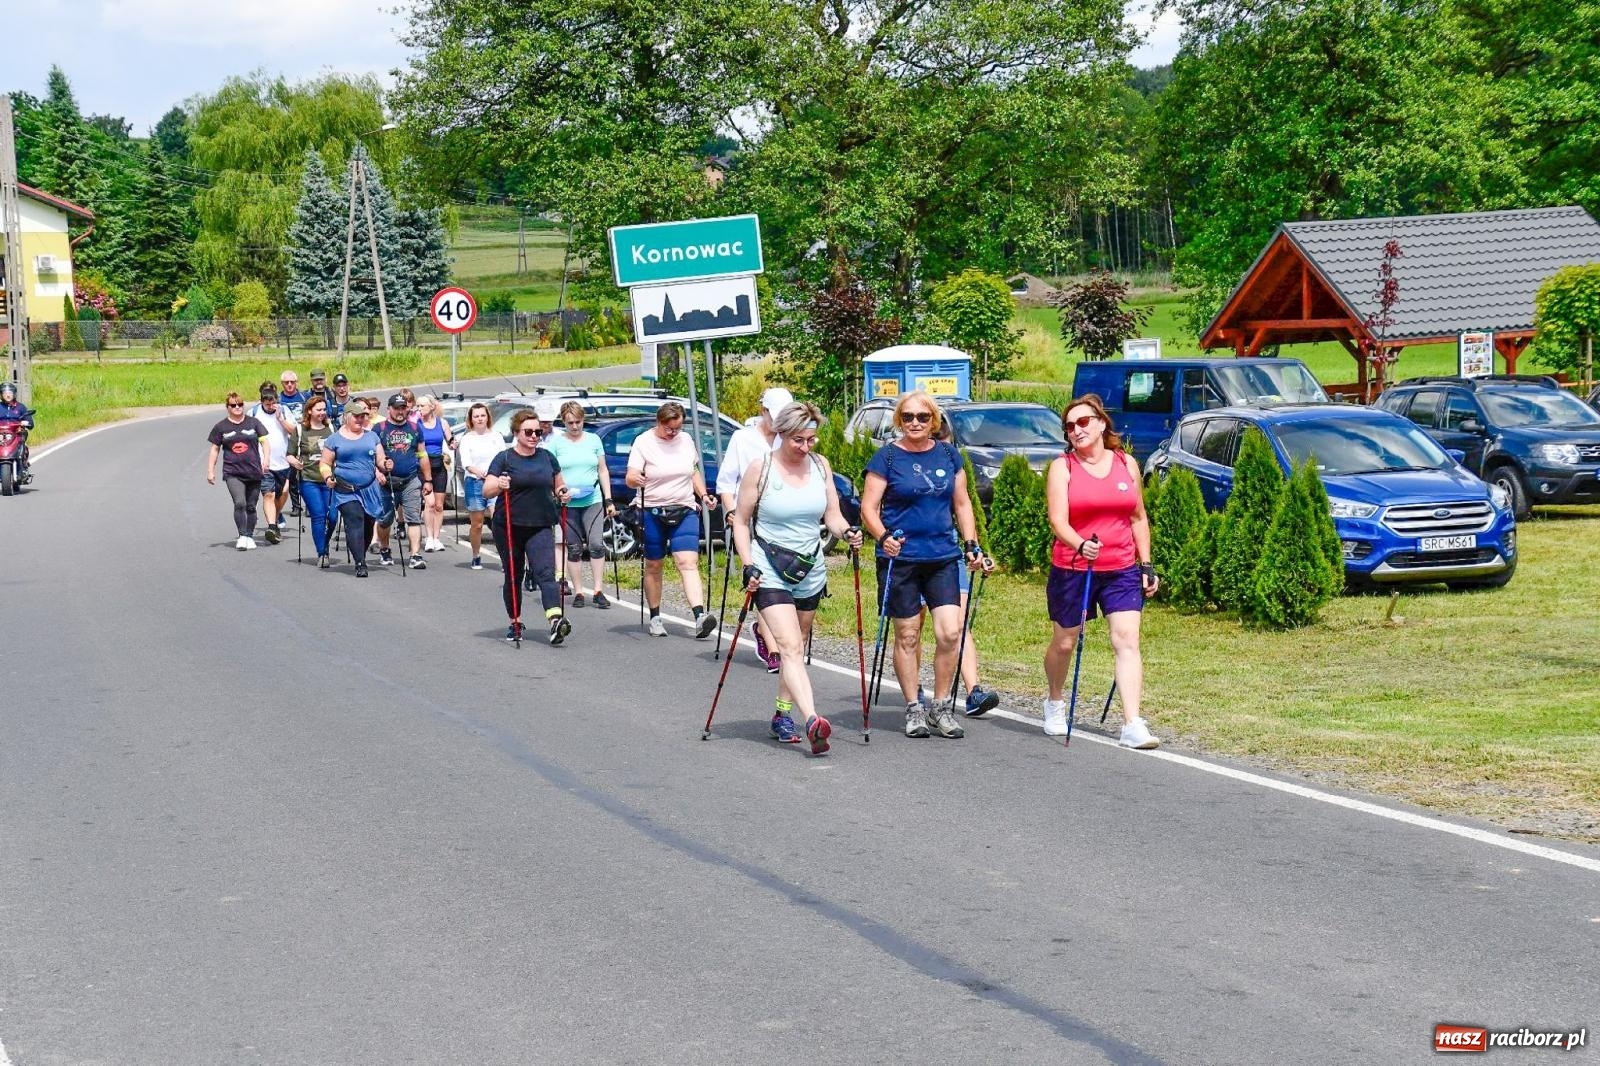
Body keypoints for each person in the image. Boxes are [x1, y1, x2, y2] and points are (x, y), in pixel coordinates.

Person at [731, 401, 863, 754]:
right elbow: (740, 522)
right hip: (768, 565)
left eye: (811, 440)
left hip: (809, 567)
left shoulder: (820, 466)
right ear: (782, 435)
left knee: (798, 647)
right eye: (799, 440)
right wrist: (747, 564)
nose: (806, 447)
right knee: (788, 646)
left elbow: (832, 516)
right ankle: (812, 721)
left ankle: (781, 714)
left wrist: (848, 531)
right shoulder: (761, 470)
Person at [860, 391, 992, 740]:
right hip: (900, 559)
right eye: (907, 417)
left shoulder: (949, 455)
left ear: (933, 421)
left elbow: (962, 504)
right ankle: (913, 708)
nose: (915, 423)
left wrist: (971, 544)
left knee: (950, 632)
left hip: (942, 556)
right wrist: (882, 535)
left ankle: (941, 705)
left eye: (922, 417)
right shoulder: (886, 457)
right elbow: (868, 509)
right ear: (898, 421)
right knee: (907, 634)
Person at [1042, 394, 1160, 749]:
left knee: (1126, 640)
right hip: (1074, 567)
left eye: (1082, 423)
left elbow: (1138, 517)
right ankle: (1054, 701)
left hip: (1121, 568)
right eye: (1069, 426)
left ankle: (1132, 723)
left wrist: (1146, 563)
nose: (1075, 430)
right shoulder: (1063, 467)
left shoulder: (1126, 463)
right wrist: (1080, 543)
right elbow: (1057, 520)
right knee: (1065, 641)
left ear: (1101, 423)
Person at [625, 401, 720, 638]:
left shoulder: (686, 441)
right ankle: (655, 617)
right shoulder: (643, 442)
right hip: (652, 510)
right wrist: (636, 479)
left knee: (688, 562)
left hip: (685, 508)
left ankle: (700, 616)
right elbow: (630, 477)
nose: (673, 433)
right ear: (659, 422)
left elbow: (693, 470)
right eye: (669, 429)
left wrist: (704, 495)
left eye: (677, 429)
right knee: (655, 565)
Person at [717, 386, 792, 672]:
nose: (781, 424)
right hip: (748, 518)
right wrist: (732, 511)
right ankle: (773, 648)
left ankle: (764, 631)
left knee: (783, 580)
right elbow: (726, 482)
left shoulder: (791, 440)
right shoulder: (743, 438)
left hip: (779, 520)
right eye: (776, 417)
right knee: (762, 577)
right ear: (764, 412)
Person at [485, 409, 573, 645]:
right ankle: (515, 622)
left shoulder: (546, 457)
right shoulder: (504, 458)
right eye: (529, 432)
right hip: (509, 526)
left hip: (541, 524)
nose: (534, 436)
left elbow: (558, 484)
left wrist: (563, 493)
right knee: (514, 575)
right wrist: (500, 484)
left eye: (538, 432)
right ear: (516, 433)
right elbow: (487, 489)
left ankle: (555, 620)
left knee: (546, 573)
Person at [546, 400, 617, 609]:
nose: (575, 427)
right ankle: (578, 591)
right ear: (564, 423)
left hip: (592, 499)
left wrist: (609, 499)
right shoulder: (556, 444)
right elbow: (551, 473)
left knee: (596, 544)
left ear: (583, 420)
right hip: (568, 502)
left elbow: (602, 470)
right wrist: (558, 492)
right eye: (570, 423)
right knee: (574, 547)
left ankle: (598, 590)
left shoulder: (594, 440)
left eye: (578, 422)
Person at [318, 400, 389, 578]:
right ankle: (360, 563)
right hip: (345, 489)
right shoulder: (334, 439)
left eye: (362, 416)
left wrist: (385, 464)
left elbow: (380, 460)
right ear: (347, 417)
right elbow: (325, 463)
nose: (360, 419)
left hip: (369, 488)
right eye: (356, 416)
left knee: (367, 524)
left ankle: (360, 553)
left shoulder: (371, 436)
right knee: (354, 520)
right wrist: (327, 477)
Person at [205, 391, 271, 550]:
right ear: (227, 407)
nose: (237, 408)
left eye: (240, 404)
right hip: (232, 472)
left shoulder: (253, 423)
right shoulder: (221, 427)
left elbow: (265, 442)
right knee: (240, 503)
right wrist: (210, 470)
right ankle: (242, 535)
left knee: (251, 506)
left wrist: (266, 460)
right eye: (233, 405)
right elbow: (215, 449)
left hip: (254, 471)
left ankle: (249, 535)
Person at [373, 393, 433, 569]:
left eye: (403, 408)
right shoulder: (379, 428)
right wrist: (378, 471)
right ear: (389, 409)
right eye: (396, 408)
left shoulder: (414, 428)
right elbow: (371, 456)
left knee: (414, 518)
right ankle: (384, 549)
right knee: (385, 520)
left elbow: (422, 455)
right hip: (387, 483)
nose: (400, 412)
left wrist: (428, 480)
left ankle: (415, 554)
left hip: (410, 480)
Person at [287, 394, 336, 568]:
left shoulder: (330, 428)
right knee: (319, 516)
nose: (322, 413)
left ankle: (325, 542)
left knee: (333, 517)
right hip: (308, 478)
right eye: (319, 410)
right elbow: (290, 454)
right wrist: (294, 462)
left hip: (329, 479)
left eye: (324, 409)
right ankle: (322, 553)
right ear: (309, 411)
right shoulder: (300, 430)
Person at [456, 402, 502, 571]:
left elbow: (502, 457)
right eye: (476, 416)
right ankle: (476, 555)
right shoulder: (468, 438)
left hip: (494, 481)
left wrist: (494, 474)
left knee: (498, 519)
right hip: (474, 482)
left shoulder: (496, 436)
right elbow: (467, 463)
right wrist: (478, 472)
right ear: (471, 419)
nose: (480, 419)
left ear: (488, 417)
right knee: (477, 523)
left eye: (482, 415)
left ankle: (504, 555)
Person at [248, 382, 294, 543]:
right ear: (261, 402)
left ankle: (276, 514)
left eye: (273, 403)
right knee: (268, 494)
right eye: (267, 404)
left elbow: (293, 432)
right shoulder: (253, 413)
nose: (270, 407)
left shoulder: (285, 411)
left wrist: (280, 418)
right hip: (263, 463)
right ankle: (272, 527)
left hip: (283, 462)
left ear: (277, 400)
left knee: (283, 493)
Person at [415, 395, 454, 552]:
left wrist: (453, 444)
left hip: (439, 465)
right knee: (429, 503)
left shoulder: (442, 422)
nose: (419, 409)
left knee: (438, 505)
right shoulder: (416, 425)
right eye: (417, 406)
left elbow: (450, 440)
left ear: (431, 407)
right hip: (423, 466)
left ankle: (437, 538)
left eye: (422, 406)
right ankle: (429, 537)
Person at [277, 370, 307, 516]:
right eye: (286, 382)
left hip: (303, 439)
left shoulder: (304, 398)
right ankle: (296, 506)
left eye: (292, 382)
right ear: (282, 384)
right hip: (286, 441)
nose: (289, 385)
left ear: (296, 382)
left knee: (306, 473)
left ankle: (309, 504)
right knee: (292, 475)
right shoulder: (278, 399)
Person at [0, 380, 34, 483]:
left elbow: (30, 423)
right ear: (1, 395)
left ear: (14, 394)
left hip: (16, 434)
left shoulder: (20, 407)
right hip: (1, 435)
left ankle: (23, 465)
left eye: (10, 392)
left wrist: (25, 422)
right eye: (5, 393)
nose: (7, 395)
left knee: (22, 445)